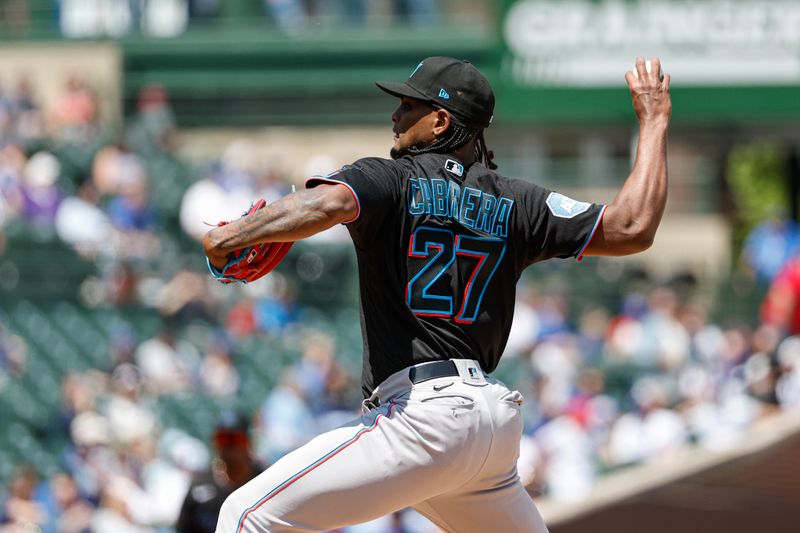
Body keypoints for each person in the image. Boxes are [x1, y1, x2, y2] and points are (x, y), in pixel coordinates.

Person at [204, 55, 671, 532]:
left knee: (245, 514)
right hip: (489, 424)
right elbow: (632, 227)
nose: (395, 117)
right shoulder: (517, 200)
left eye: (408, 106)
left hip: (422, 418)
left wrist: (233, 235)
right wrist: (653, 121)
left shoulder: (391, 177)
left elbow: (333, 201)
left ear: (440, 120)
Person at [176, 411, 264, 533]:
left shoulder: (265, 480)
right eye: (223, 439)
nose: (229, 446)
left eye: (236, 439)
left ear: (248, 442)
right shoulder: (199, 488)